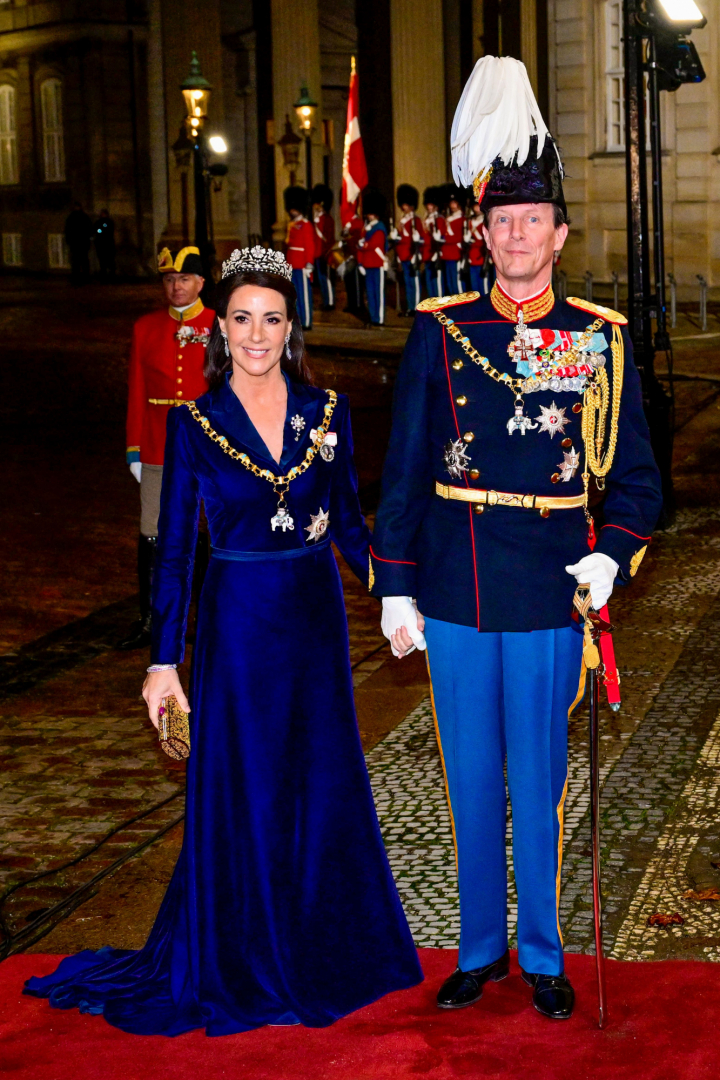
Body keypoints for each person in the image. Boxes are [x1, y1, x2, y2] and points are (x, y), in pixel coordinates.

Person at [24, 245, 423, 1035]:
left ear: (290, 327)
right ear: (222, 327)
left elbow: (347, 524)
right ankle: (243, 949)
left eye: (272, 319)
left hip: (313, 623)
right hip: (237, 624)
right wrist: (164, 662)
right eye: (242, 318)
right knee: (248, 784)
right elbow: (174, 552)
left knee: (318, 777)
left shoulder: (328, 413)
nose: (256, 334)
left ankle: (320, 943)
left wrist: (394, 595)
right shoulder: (196, 424)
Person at [370, 56, 662, 1021]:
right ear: (484, 234)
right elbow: (407, 467)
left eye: (532, 221)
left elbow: (637, 481)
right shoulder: (441, 331)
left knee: (536, 781)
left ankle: (542, 951)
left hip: (547, 584)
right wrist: (395, 584)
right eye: (501, 223)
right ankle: (480, 948)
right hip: (454, 585)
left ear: (559, 233)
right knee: (468, 780)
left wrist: (610, 555)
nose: (516, 236)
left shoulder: (599, 337)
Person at [118, 246, 212, 650]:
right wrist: (134, 448)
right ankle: (150, 620)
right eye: (170, 279)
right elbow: (137, 389)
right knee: (152, 535)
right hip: (157, 446)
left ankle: (207, 618)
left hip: (206, 448)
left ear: (201, 283)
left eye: (184, 279)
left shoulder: (219, 324)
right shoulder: (145, 327)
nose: (176, 286)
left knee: (207, 533)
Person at [284, 185, 315, 330]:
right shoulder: (292, 225)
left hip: (302, 264)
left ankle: (307, 321)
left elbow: (309, 245)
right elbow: (288, 244)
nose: (292, 210)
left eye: (295, 207)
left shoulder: (306, 225)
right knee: (294, 295)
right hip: (292, 263)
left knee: (304, 295)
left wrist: (309, 263)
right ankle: (298, 321)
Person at [390, 184, 423, 316]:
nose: (404, 207)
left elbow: (418, 239)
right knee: (407, 283)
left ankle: (416, 308)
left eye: (407, 205)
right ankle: (410, 307)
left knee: (414, 282)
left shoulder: (416, 220)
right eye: (403, 205)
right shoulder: (402, 221)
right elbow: (400, 239)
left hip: (411, 255)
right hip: (403, 255)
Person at [357, 186, 388, 327]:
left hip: (377, 263)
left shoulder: (380, 228)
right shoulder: (367, 228)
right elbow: (361, 246)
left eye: (371, 214)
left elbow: (372, 245)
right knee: (370, 293)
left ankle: (379, 318)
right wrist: (360, 263)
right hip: (368, 264)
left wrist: (363, 244)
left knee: (378, 293)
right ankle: (373, 316)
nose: (369, 216)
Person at [311, 183, 336, 310]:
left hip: (325, 252)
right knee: (321, 280)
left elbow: (328, 237)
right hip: (317, 252)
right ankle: (325, 301)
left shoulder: (328, 219)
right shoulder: (316, 219)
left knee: (327, 279)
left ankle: (330, 302)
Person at [439, 184, 465, 295]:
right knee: (449, 283)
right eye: (451, 203)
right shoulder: (448, 218)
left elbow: (458, 237)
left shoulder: (462, 219)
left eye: (454, 203)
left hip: (455, 254)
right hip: (447, 254)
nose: (452, 205)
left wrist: (445, 239)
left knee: (457, 283)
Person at [422, 186, 444, 298]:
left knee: (437, 283)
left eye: (431, 205)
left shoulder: (439, 219)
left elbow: (441, 237)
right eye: (428, 204)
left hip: (435, 253)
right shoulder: (426, 219)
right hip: (427, 253)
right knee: (429, 282)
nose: (428, 207)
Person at [64, 202, 92, 285]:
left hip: (78, 242)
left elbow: (68, 230)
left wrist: (69, 240)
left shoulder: (73, 217)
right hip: (80, 242)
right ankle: (82, 277)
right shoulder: (83, 217)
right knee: (81, 261)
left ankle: (78, 277)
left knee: (78, 261)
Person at [465, 198, 487, 294]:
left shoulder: (486, 220)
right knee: (474, 286)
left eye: (478, 206)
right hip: (472, 256)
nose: (476, 208)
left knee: (484, 286)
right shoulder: (470, 220)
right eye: (475, 206)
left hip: (481, 255)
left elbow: (486, 241)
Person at [93, 208, 116, 278]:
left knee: (109, 259)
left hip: (107, 243)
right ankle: (104, 273)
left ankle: (110, 273)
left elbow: (109, 231)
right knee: (102, 260)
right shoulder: (99, 222)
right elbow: (96, 230)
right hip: (101, 243)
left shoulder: (109, 222)